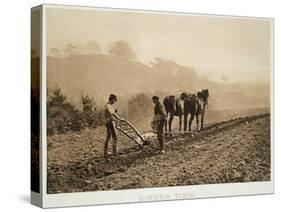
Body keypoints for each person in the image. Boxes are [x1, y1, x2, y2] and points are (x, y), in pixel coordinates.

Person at [104, 94, 124, 161]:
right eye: (114, 101)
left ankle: (106, 153)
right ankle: (115, 153)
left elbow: (112, 113)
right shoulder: (109, 106)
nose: (114, 102)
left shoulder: (108, 105)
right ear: (112, 99)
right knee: (115, 137)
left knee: (108, 137)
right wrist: (119, 118)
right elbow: (112, 114)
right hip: (110, 122)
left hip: (108, 122)